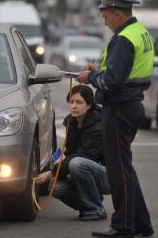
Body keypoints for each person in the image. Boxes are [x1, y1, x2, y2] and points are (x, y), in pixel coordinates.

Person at [77, 0, 154, 238]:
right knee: (125, 167)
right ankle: (141, 222)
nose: (104, 19)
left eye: (106, 14)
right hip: (131, 105)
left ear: (118, 14)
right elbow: (120, 72)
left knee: (118, 169)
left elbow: (111, 81)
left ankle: (123, 225)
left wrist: (91, 77)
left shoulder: (122, 39)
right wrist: (97, 72)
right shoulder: (140, 32)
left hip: (119, 107)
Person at [35, 85, 110, 221]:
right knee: (54, 186)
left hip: (108, 176)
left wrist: (52, 172)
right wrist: (50, 164)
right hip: (86, 171)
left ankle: (96, 209)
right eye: (71, 102)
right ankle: (88, 206)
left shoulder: (98, 126)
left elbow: (82, 156)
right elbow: (65, 151)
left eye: (79, 102)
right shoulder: (72, 122)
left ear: (89, 105)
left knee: (77, 163)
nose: (73, 106)